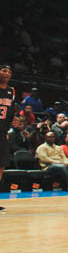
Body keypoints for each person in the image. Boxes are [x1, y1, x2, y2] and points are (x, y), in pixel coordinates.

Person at [0, 64, 15, 212]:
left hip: (2, 133)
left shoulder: (11, 91)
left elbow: (10, 112)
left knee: (1, 166)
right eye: (4, 70)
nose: (6, 73)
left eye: (9, 71)